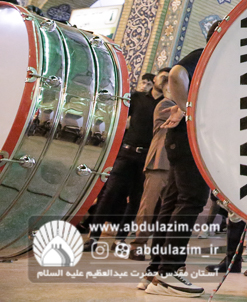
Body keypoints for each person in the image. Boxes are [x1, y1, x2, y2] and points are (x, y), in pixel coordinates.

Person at [140, 24, 220, 297]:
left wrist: (184, 107)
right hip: (189, 138)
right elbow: (176, 73)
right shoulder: (208, 55)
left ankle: (155, 271)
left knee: (173, 202)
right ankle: (169, 272)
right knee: (190, 201)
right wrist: (190, 111)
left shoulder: (211, 60)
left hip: (180, 138)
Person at [87, 72, 164, 249]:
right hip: (127, 153)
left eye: (169, 78)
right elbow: (119, 118)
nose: (165, 80)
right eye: (163, 77)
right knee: (109, 194)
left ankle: (120, 240)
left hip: (148, 157)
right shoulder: (137, 98)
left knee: (136, 200)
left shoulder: (166, 104)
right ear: (155, 79)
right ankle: (93, 238)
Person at [130, 69, 174, 260]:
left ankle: (163, 248)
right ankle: (137, 245)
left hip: (175, 165)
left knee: (169, 209)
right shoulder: (165, 105)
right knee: (148, 207)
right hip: (159, 162)